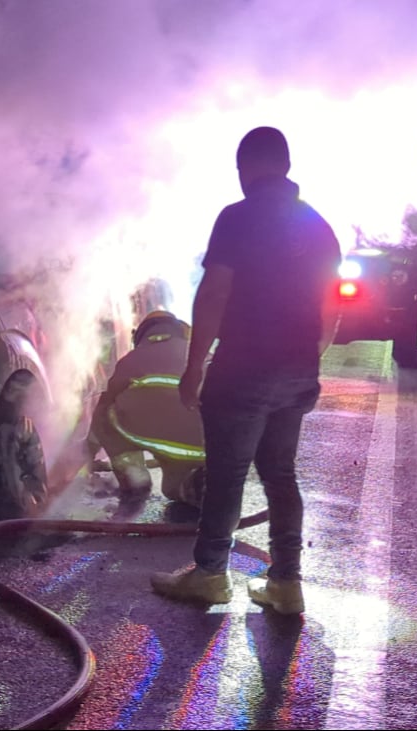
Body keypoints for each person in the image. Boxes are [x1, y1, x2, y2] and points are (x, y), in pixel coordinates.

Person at [150, 126, 341, 614]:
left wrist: (193, 367)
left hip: (243, 367)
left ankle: (211, 574)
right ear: (287, 166)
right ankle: (285, 583)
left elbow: (214, 294)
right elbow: (331, 308)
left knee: (228, 473)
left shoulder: (237, 218)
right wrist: (305, 360)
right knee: (280, 473)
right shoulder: (318, 226)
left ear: (245, 168)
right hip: (297, 367)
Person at [86, 310, 206, 506]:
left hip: (157, 438)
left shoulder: (132, 359)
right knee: (172, 488)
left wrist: (87, 454)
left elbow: (103, 408)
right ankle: (195, 484)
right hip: (203, 445)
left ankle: (134, 478)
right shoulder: (200, 354)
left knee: (105, 413)